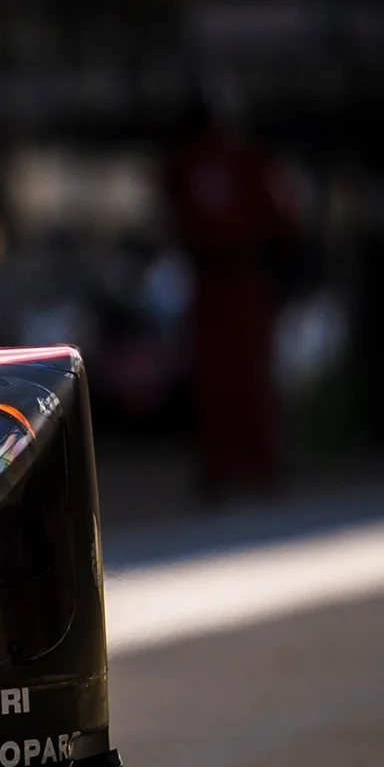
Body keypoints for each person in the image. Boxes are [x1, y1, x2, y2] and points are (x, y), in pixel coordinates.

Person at [162, 98, 297, 496]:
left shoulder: (230, 159)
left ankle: (251, 461)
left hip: (237, 277)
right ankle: (233, 463)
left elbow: (276, 218)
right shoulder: (195, 160)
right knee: (226, 375)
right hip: (220, 279)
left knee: (240, 374)